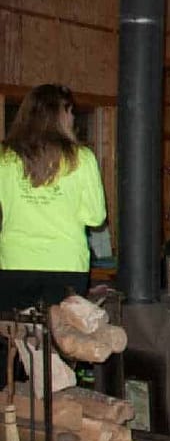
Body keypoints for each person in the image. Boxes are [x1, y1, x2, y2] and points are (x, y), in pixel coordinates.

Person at [0, 84, 107, 309]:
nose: (73, 118)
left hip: (15, 261)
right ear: (60, 115)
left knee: (19, 336)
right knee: (63, 338)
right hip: (66, 262)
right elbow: (95, 217)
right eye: (70, 111)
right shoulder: (82, 158)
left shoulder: (5, 158)